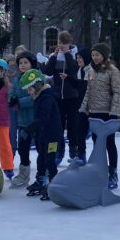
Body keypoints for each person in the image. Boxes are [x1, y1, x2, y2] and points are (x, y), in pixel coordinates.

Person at [79, 42, 120, 189]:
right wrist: (83, 108)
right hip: (94, 112)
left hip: (107, 113)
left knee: (109, 143)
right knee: (97, 143)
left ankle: (113, 171)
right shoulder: (91, 71)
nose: (95, 57)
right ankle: (99, 170)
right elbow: (88, 91)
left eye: (97, 54)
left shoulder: (112, 71)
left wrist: (114, 112)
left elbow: (117, 92)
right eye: (93, 55)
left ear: (104, 55)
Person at [21, 69, 62, 200]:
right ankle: (41, 180)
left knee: (50, 160)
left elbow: (43, 118)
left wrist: (28, 129)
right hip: (42, 135)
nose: (29, 92)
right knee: (41, 158)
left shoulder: (47, 98)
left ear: (38, 85)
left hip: (52, 136)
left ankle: (53, 183)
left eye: (30, 89)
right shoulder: (38, 97)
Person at [45, 31, 83, 166]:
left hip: (72, 97)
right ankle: (58, 151)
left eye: (64, 43)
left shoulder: (75, 55)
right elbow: (48, 71)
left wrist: (67, 53)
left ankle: (74, 151)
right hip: (57, 97)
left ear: (69, 43)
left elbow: (73, 71)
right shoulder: (54, 56)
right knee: (57, 126)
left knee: (73, 126)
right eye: (60, 42)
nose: (62, 45)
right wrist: (54, 56)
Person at [9, 53, 37, 188]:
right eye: (20, 63)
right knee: (23, 148)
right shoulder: (17, 79)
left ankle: (45, 171)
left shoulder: (37, 77)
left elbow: (35, 97)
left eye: (26, 62)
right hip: (22, 121)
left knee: (41, 147)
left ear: (32, 64)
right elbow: (13, 93)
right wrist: (12, 99)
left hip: (36, 120)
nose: (23, 65)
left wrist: (19, 102)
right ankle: (24, 174)